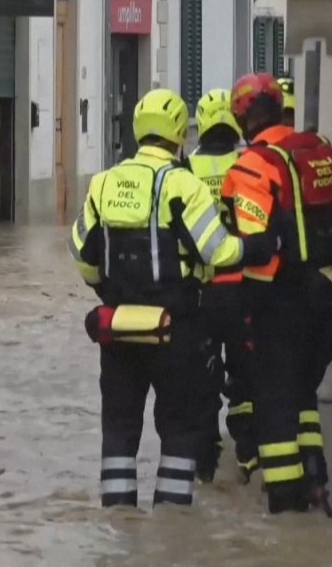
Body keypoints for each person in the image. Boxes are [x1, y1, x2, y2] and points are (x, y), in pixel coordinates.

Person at [69, 88, 277, 508]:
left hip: (118, 328)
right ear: (180, 133)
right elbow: (216, 250)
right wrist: (255, 247)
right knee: (180, 428)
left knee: (119, 428)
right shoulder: (183, 184)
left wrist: (107, 289)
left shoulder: (102, 183)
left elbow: (82, 254)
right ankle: (171, 523)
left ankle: (119, 521)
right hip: (175, 329)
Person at [222, 73, 332, 515]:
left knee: (274, 408)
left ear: (242, 119)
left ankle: (287, 512)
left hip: (282, 305)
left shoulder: (251, 166)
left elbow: (257, 250)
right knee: (304, 395)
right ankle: (316, 485)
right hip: (330, 300)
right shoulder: (319, 149)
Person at [183, 89, 254, 484]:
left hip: (202, 294)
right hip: (245, 290)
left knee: (201, 378)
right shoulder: (248, 163)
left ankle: (205, 464)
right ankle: (248, 457)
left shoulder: (185, 169)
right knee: (246, 376)